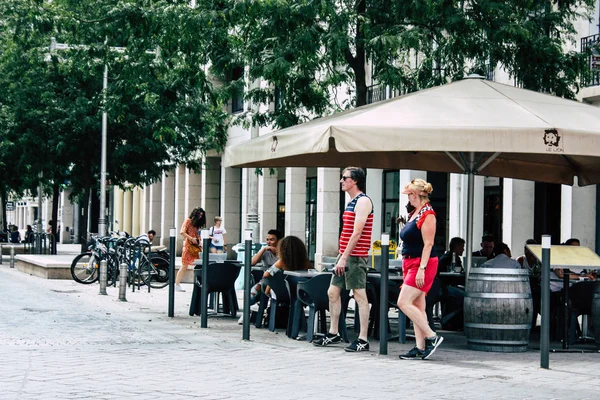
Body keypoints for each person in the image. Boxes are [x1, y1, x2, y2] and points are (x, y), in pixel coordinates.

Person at [313, 167, 373, 352]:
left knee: (359, 295)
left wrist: (344, 257)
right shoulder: (351, 202)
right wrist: (341, 256)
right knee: (333, 292)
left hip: (354, 256)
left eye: (344, 178)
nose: (341, 181)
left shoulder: (363, 201)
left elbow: (357, 233)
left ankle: (363, 339)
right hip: (345, 255)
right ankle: (334, 332)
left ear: (354, 181)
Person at [397, 178, 443, 360]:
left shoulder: (428, 214)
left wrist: (422, 268)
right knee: (417, 305)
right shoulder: (416, 212)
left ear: (414, 195)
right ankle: (420, 346)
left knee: (403, 302)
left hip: (421, 263)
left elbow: (429, 243)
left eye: (408, 195)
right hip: (410, 262)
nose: (407, 199)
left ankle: (432, 336)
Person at [250, 235, 310, 302]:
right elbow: (312, 273)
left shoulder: (282, 262)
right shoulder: (305, 262)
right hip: (300, 294)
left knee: (256, 291)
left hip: (280, 293)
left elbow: (266, 274)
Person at [175, 207, 206, 292]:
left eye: (201, 216)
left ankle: (198, 283)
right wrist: (191, 238)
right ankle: (177, 284)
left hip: (195, 246)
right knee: (184, 265)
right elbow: (182, 232)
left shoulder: (196, 224)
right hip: (188, 246)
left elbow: (197, 235)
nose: (200, 217)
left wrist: (199, 242)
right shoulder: (188, 221)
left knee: (197, 265)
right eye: (199, 215)